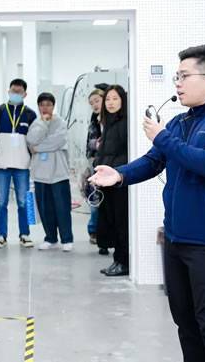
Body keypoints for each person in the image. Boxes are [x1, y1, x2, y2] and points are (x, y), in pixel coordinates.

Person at [89, 45, 205, 362]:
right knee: (186, 323)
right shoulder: (179, 123)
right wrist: (119, 175)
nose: (177, 83)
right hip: (176, 239)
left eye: (184, 76)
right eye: (176, 76)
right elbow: (153, 161)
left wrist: (162, 137)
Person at [0, 78, 37, 249]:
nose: (16, 94)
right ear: (8, 91)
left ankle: (25, 234)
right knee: (1, 202)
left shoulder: (30, 114)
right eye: (13, 91)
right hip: (2, 165)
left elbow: (34, 139)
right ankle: (1, 235)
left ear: (25, 94)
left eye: (19, 92)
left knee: (23, 202)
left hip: (22, 165)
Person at [27, 93, 74, 251]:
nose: (45, 107)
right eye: (42, 104)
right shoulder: (36, 123)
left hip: (58, 172)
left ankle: (67, 239)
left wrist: (38, 148)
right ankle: (50, 238)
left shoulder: (60, 122)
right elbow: (31, 140)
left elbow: (57, 142)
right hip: (40, 173)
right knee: (45, 208)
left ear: (53, 106)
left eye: (48, 104)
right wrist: (43, 124)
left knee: (62, 207)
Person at [92, 85, 129, 275]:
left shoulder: (125, 123)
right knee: (111, 221)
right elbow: (104, 151)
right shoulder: (108, 122)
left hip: (118, 180)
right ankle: (117, 260)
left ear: (123, 100)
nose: (111, 103)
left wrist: (113, 171)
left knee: (121, 223)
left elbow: (123, 153)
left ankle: (124, 262)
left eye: (115, 99)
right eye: (108, 99)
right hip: (106, 180)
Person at [85, 88, 104, 245]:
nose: (95, 105)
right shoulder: (93, 121)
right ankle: (94, 231)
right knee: (95, 199)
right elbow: (89, 145)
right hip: (96, 164)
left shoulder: (114, 120)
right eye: (92, 103)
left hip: (112, 164)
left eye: (97, 101)